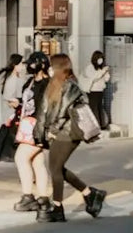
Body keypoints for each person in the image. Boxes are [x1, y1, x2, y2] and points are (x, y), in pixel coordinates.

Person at [33, 53, 107, 222]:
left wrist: (52, 130)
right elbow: (45, 110)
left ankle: (58, 208)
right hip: (59, 132)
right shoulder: (54, 84)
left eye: (52, 66)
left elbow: (62, 112)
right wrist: (40, 133)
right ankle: (90, 194)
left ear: (59, 68)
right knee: (57, 168)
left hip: (68, 132)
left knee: (55, 169)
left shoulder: (70, 86)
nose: (49, 69)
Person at [13, 52, 51, 214]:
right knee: (37, 162)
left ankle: (28, 197)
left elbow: (46, 109)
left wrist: (42, 130)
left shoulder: (48, 85)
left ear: (41, 65)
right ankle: (43, 198)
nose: (29, 66)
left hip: (39, 127)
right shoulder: (29, 82)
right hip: (27, 125)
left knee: (21, 158)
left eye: (32, 63)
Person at [79, 50, 111, 132]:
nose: (101, 60)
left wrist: (106, 72)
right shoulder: (90, 67)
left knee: (99, 108)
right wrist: (102, 72)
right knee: (94, 108)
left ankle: (100, 125)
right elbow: (94, 77)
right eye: (99, 58)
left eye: (102, 58)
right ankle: (95, 126)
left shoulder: (101, 68)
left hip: (100, 90)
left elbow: (106, 79)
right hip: (93, 90)